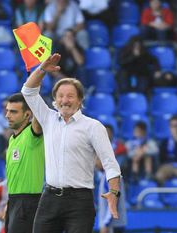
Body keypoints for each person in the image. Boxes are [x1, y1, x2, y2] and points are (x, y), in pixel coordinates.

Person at [21, 53, 121, 233]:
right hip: (49, 198)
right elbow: (27, 91)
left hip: (80, 201)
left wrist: (114, 193)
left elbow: (110, 164)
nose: (64, 101)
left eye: (70, 96)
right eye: (60, 96)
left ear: (80, 100)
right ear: (54, 100)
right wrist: (43, 69)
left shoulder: (93, 126)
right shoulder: (47, 118)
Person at [4, 93, 44, 233]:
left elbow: (39, 116)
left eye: (13, 111)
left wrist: (32, 92)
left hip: (28, 203)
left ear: (28, 114)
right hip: (13, 201)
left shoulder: (33, 135)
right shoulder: (12, 139)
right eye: (7, 111)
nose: (7, 115)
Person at [97, 159, 127, 233]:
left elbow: (113, 201)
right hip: (111, 225)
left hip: (113, 225)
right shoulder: (106, 175)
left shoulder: (112, 175)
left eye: (97, 159)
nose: (95, 163)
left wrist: (106, 224)